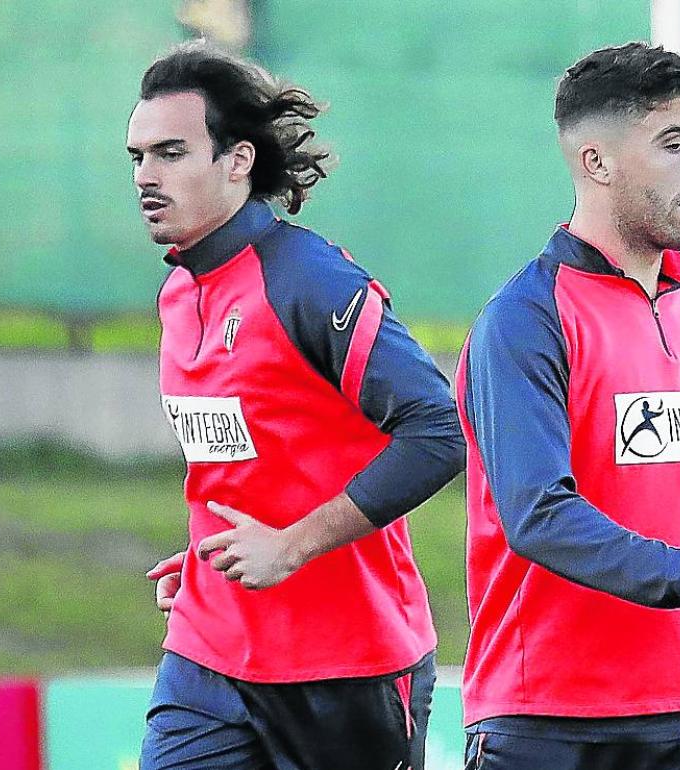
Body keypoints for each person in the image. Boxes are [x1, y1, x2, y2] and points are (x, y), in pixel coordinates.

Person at [457, 42, 680, 770]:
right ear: (596, 162)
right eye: (675, 143)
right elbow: (539, 517)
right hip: (557, 718)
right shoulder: (527, 319)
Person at [126, 42, 465, 770]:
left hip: (350, 668)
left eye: (171, 153)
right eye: (138, 156)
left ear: (238, 160)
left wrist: (291, 546)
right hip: (209, 653)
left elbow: (438, 433)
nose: (146, 177)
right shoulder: (179, 293)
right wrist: (208, 557)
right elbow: (256, 455)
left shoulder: (309, 280)